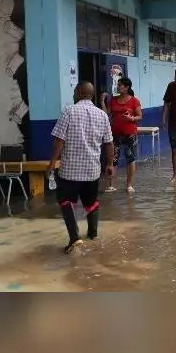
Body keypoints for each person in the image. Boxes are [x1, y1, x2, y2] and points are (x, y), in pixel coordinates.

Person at [47, 82, 114, 254]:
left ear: (78, 92)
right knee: (91, 203)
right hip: (92, 170)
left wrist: (51, 164)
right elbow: (108, 142)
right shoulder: (102, 114)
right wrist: (110, 164)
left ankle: (75, 239)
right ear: (91, 95)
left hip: (70, 171)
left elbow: (59, 141)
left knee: (65, 201)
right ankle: (93, 235)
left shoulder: (68, 111)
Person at [104, 76, 142, 193]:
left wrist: (131, 118)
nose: (118, 87)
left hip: (130, 134)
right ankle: (111, 184)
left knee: (130, 158)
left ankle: (129, 185)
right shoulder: (113, 100)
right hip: (115, 134)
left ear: (127, 87)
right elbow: (106, 114)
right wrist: (102, 101)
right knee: (113, 159)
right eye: (118, 85)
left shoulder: (134, 101)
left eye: (120, 85)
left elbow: (140, 116)